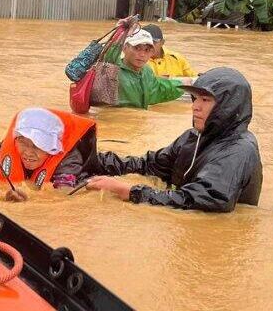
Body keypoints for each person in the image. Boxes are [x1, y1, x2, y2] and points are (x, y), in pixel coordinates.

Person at [84, 67, 262, 212]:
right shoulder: (192, 138)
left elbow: (205, 200)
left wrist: (128, 191)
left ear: (228, 107)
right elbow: (150, 165)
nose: (195, 107)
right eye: (195, 99)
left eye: (205, 100)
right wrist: (90, 158)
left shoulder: (239, 149)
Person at [0, 107, 96, 199]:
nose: (28, 152)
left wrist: (29, 199)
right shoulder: (7, 147)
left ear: (51, 147)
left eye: (37, 145)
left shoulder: (68, 161)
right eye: (23, 142)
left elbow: (64, 195)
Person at [101, 28, 186, 108]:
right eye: (137, 48)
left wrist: (185, 86)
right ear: (124, 48)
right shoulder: (113, 69)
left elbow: (159, 89)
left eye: (147, 50)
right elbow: (109, 53)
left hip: (139, 120)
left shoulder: (147, 72)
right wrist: (121, 33)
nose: (142, 54)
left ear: (152, 52)